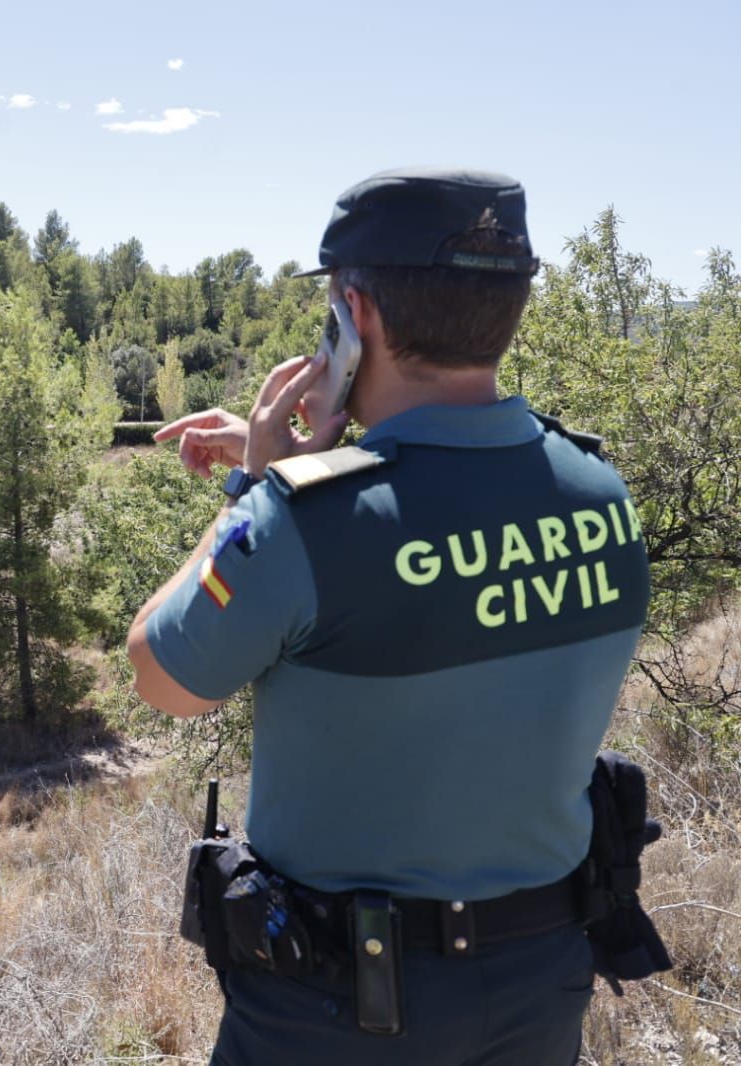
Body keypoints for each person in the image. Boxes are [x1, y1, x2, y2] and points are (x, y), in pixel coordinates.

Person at [127, 169, 650, 1065]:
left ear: (353, 315)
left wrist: (253, 490)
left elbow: (161, 677)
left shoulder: (304, 520)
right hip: (540, 984)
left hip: (336, 1011)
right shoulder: (602, 494)